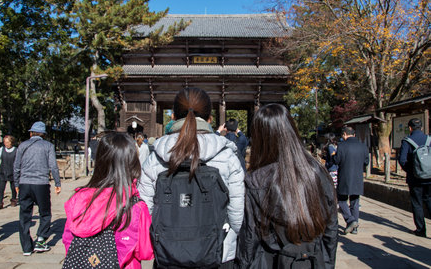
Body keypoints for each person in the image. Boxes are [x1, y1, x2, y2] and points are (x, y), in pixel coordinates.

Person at [138, 87, 245, 267]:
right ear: (210, 119)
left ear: (173, 117)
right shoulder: (227, 156)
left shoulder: (156, 156)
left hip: (168, 252)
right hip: (218, 252)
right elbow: (236, 216)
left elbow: (145, 210)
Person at [235, 104, 337, 268]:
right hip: (312, 259)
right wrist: (327, 263)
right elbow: (331, 227)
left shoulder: (256, 180)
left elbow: (249, 236)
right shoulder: (318, 172)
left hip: (270, 260)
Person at [62, 132, 153, 268]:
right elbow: (145, 251)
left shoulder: (78, 199)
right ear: (132, 162)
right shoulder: (135, 206)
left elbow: (68, 240)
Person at [13, 121, 61, 256]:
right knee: (44, 212)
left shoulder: (22, 145)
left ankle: (26, 247)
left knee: (24, 215)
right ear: (44, 134)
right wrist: (57, 183)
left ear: (31, 133)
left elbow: (16, 166)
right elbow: (53, 165)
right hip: (41, 183)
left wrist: (16, 184)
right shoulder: (48, 146)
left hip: (24, 183)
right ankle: (41, 239)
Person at [399, 118, 431, 238]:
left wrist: (411, 170)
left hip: (415, 178)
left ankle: (421, 229)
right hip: (430, 176)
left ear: (410, 128)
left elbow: (402, 160)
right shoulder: (429, 139)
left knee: (417, 203)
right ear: (421, 128)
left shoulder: (407, 141)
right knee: (429, 200)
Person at [335, 126, 369, 235]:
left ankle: (350, 220)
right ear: (354, 134)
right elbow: (366, 162)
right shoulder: (363, 146)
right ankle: (355, 228)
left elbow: (337, 161)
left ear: (344, 134)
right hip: (357, 177)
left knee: (341, 200)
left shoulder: (342, 146)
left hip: (344, 176)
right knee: (355, 202)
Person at [0, 135, 18, 210]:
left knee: (13, 187)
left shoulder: (16, 150)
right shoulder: (2, 149)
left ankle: (14, 199)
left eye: (7, 142)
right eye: (5, 142)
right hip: (3, 171)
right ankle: (0, 202)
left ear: (12, 142)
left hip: (12, 171)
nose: (6, 144)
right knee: (1, 188)